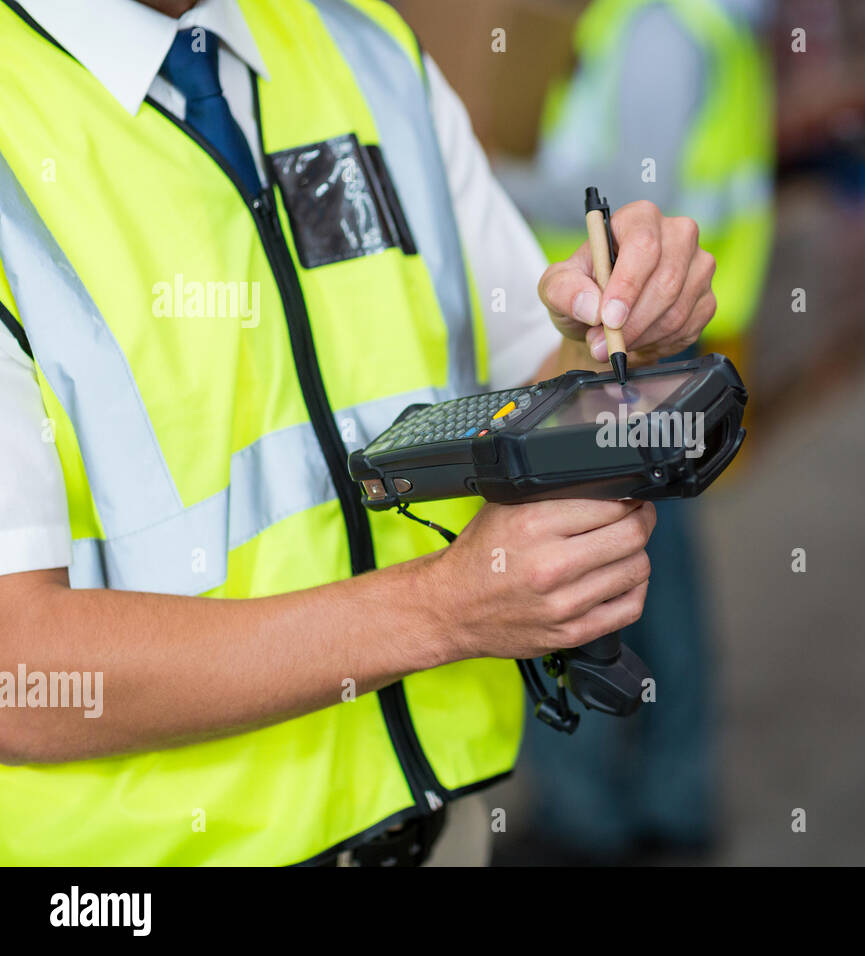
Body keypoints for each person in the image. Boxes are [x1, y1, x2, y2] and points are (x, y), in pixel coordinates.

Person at [0, 0, 719, 866]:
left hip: (441, 827)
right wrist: (443, 610)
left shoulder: (364, 47)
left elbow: (537, 378)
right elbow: (17, 672)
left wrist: (615, 324)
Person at [491, 0, 773, 865]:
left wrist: (492, 173)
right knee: (653, 576)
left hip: (630, 343)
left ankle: (605, 817)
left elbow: (632, 193)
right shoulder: (650, 22)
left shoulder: (657, 28)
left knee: (607, 579)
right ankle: (666, 801)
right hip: (621, 341)